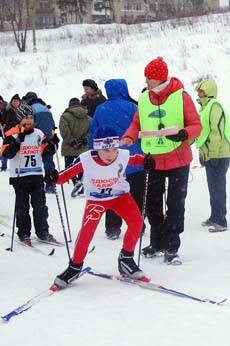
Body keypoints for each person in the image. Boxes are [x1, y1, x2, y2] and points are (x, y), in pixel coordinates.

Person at [44, 126, 152, 288]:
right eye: (105, 150)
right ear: (97, 149)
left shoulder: (122, 155)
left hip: (120, 196)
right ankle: (75, 266)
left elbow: (137, 159)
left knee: (137, 223)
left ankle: (126, 259)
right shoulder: (86, 159)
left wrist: (146, 161)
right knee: (87, 232)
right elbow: (64, 176)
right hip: (97, 200)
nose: (111, 154)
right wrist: (54, 176)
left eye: (114, 149)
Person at [121, 56, 202, 265]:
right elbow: (136, 122)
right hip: (153, 160)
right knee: (152, 204)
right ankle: (156, 242)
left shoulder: (181, 96)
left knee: (175, 205)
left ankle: (172, 245)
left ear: (160, 78)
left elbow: (196, 124)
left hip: (178, 160)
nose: (146, 82)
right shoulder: (144, 98)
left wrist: (184, 134)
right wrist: (130, 136)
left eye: (149, 78)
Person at [89, 79, 145, 240]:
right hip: (134, 157)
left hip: (111, 159)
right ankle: (138, 224)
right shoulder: (133, 107)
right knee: (136, 194)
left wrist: (93, 154)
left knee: (113, 194)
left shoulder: (101, 109)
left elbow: (94, 134)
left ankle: (112, 227)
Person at [1, 103, 59, 245]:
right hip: (19, 177)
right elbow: (6, 154)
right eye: (26, 118)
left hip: (36, 175)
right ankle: (24, 233)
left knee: (40, 206)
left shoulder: (39, 133)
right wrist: (17, 141)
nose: (29, 121)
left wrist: (52, 145)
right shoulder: (11, 134)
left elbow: (45, 151)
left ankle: (43, 232)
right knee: (23, 207)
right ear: (20, 119)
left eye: (31, 117)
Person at [195, 79, 230, 232]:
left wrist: (214, 155)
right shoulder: (205, 107)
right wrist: (203, 153)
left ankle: (221, 221)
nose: (198, 93)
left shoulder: (214, 106)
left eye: (201, 91)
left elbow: (216, 132)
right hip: (211, 154)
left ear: (208, 91)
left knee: (218, 188)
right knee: (213, 188)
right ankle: (214, 216)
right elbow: (203, 134)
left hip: (219, 154)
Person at [23, 92, 57, 193]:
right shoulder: (46, 108)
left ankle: (33, 185)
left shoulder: (30, 109)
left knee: (33, 163)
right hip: (49, 140)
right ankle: (50, 184)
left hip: (35, 140)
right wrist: (53, 137)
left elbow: (28, 125)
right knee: (48, 162)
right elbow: (53, 125)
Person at [59, 97, 91, 197]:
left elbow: (64, 130)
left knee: (69, 166)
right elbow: (91, 130)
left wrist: (72, 141)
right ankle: (81, 184)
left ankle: (76, 181)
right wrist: (84, 140)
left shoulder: (65, 116)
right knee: (81, 166)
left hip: (69, 147)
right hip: (83, 147)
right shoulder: (88, 117)